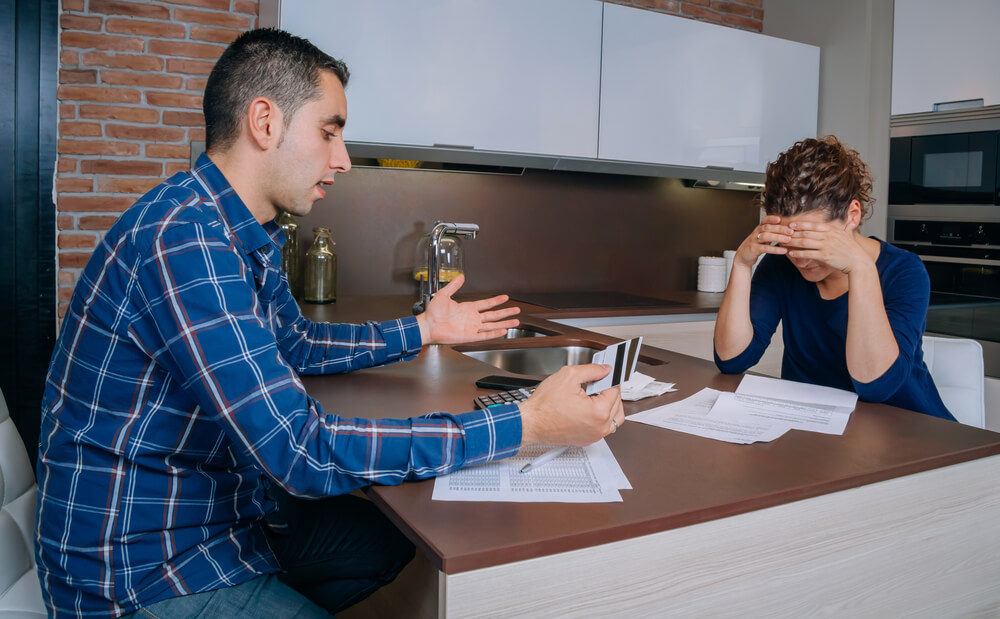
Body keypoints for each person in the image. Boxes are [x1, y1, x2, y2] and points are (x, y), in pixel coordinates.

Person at [35, 28, 625, 618]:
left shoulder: (238, 230)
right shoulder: (184, 240)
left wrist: (422, 329)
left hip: (220, 514)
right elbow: (301, 452)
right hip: (141, 566)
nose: (343, 158)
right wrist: (527, 425)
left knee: (389, 545)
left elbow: (295, 343)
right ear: (264, 122)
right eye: (330, 130)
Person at [713, 136, 953, 421]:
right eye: (788, 242)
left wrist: (861, 269)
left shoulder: (903, 271)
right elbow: (732, 360)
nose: (799, 257)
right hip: (818, 430)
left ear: (852, 215)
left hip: (910, 430)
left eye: (812, 240)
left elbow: (877, 386)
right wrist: (742, 264)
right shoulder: (780, 266)